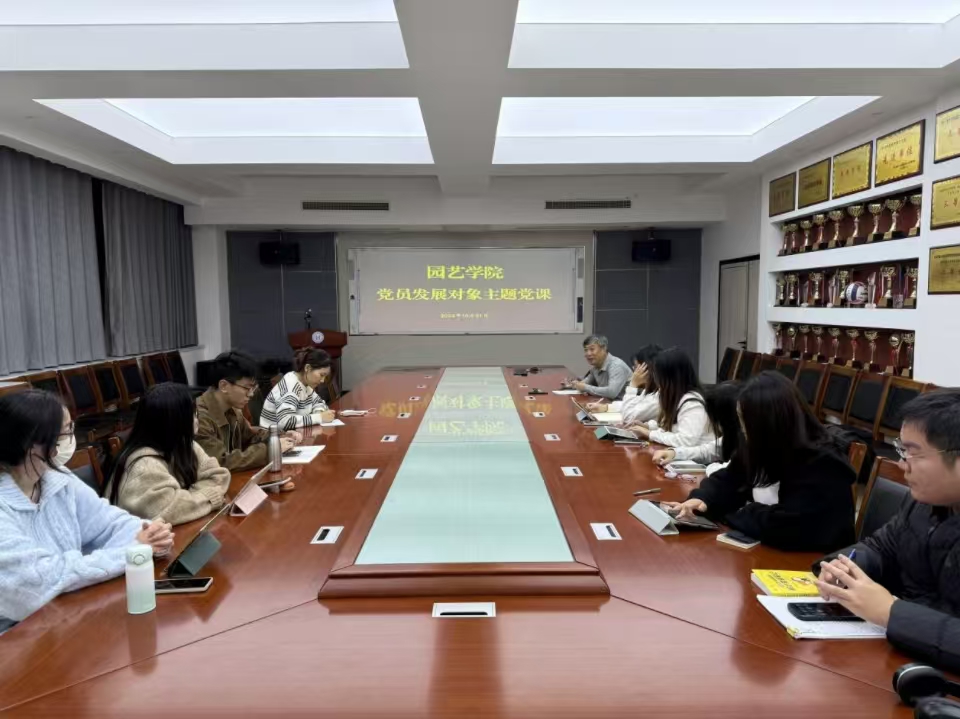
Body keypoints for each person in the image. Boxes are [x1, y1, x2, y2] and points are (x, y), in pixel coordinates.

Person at [0, 390, 173, 633]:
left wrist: (150, 534)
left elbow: (111, 522)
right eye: (63, 433)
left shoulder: (57, 477)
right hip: (17, 634)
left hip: (69, 611)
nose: (70, 440)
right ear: (30, 442)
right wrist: (132, 551)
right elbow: (38, 582)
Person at [814, 390, 960, 672]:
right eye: (901, 450)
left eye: (912, 452)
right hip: (902, 658)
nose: (902, 464)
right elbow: (883, 546)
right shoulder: (922, 502)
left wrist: (890, 612)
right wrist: (845, 567)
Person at [663, 371, 855, 552]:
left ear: (769, 424)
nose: (743, 429)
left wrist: (740, 511)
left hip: (812, 562)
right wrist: (703, 499)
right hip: (768, 553)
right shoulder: (761, 445)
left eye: (746, 421)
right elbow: (728, 479)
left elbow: (790, 526)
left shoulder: (823, 464)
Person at [104, 383, 231, 526]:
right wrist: (208, 497)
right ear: (174, 421)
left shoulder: (182, 443)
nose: (196, 420)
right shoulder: (144, 465)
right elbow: (169, 511)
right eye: (191, 414)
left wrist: (189, 499)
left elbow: (218, 476)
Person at [196, 350, 302, 472]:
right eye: (247, 388)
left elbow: (251, 437)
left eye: (253, 388)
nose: (251, 394)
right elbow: (220, 462)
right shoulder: (199, 418)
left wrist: (278, 436)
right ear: (224, 386)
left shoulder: (233, 410)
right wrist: (270, 450)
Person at [623, 347, 714, 448]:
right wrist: (648, 426)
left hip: (693, 456)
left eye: (658, 375)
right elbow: (671, 426)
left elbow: (685, 441)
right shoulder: (676, 396)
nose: (656, 379)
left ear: (670, 377)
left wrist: (649, 433)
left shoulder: (692, 403)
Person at [652, 380, 742, 472]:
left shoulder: (746, 443)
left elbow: (728, 471)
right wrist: (675, 453)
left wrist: (710, 468)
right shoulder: (733, 435)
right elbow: (706, 451)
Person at [260, 348, 337, 431]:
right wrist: (319, 417)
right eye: (321, 375)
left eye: (325, 376)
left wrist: (319, 412)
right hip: (274, 436)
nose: (322, 381)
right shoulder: (290, 387)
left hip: (294, 434)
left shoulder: (306, 385)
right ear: (307, 368)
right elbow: (285, 421)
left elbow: (319, 403)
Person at [586, 345, 662, 426]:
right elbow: (634, 405)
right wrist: (606, 407)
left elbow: (628, 416)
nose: (635, 372)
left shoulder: (660, 396)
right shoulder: (651, 390)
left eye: (636, 367)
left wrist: (633, 385)